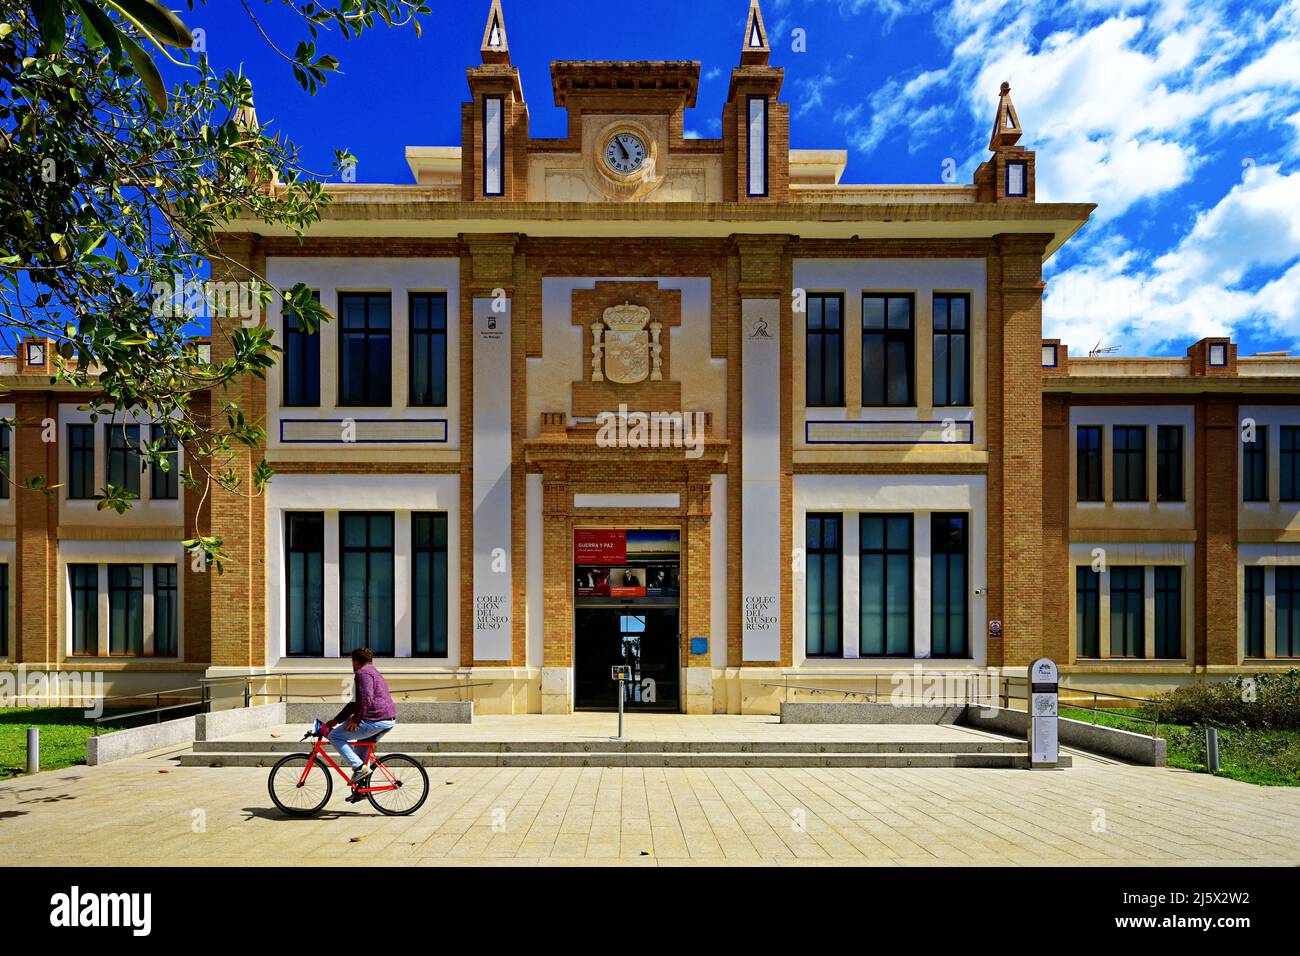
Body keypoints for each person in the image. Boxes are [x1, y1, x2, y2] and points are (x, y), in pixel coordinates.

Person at [324, 647, 397, 786]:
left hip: (375, 719)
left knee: (334, 736)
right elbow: (354, 703)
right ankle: (361, 788)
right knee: (360, 750)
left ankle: (359, 768)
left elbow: (366, 699)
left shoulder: (362, 673)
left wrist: (357, 719)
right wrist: (336, 720)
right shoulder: (373, 671)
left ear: (355, 662)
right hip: (386, 719)